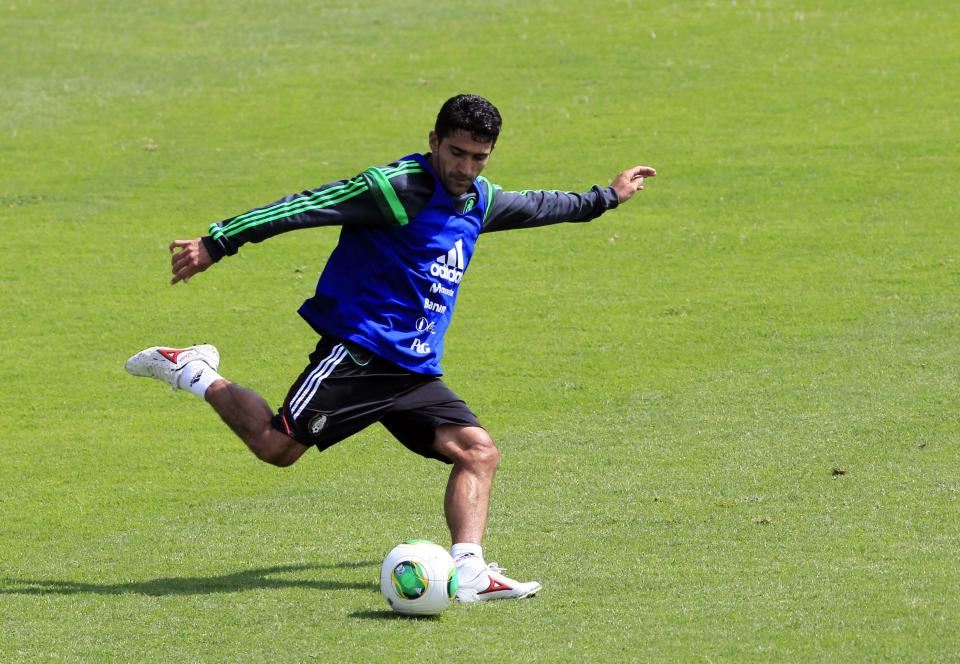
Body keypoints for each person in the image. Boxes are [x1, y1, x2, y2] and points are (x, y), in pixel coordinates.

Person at [126, 94, 656, 603]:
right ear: (434, 141)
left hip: (413, 370)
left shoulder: (480, 199)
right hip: (360, 353)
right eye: (456, 153)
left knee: (478, 452)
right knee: (276, 447)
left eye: (479, 157)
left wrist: (606, 197)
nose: (466, 167)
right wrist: (218, 242)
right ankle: (193, 369)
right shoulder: (395, 188)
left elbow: (540, 205)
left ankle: (469, 572)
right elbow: (307, 206)